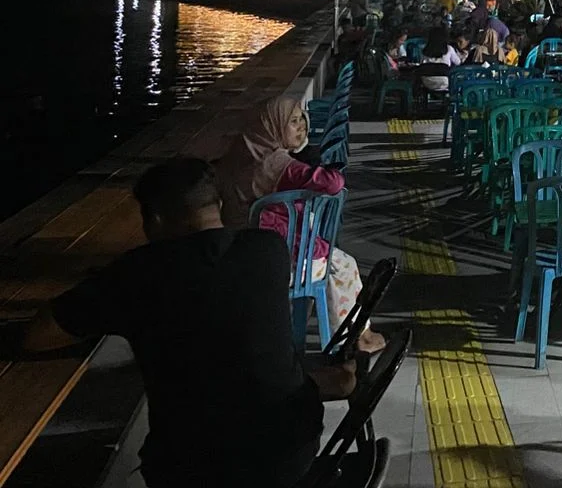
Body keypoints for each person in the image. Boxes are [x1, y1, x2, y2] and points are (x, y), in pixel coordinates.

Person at [22, 158, 356, 488]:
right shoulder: (268, 249)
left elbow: (37, 336)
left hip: (199, 469)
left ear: (153, 219)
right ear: (219, 205)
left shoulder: (139, 273)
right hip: (293, 449)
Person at [212, 98, 385, 354]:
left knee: (331, 262)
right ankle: (357, 336)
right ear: (273, 127)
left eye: (301, 118)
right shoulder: (278, 164)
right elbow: (332, 183)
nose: (302, 126)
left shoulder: (238, 157)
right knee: (343, 265)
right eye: (292, 122)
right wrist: (309, 158)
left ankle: (297, 331)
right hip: (277, 260)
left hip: (238, 252)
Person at [418, 25, 460, 97]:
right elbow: (458, 62)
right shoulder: (449, 49)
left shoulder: (424, 50)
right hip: (444, 81)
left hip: (427, 82)